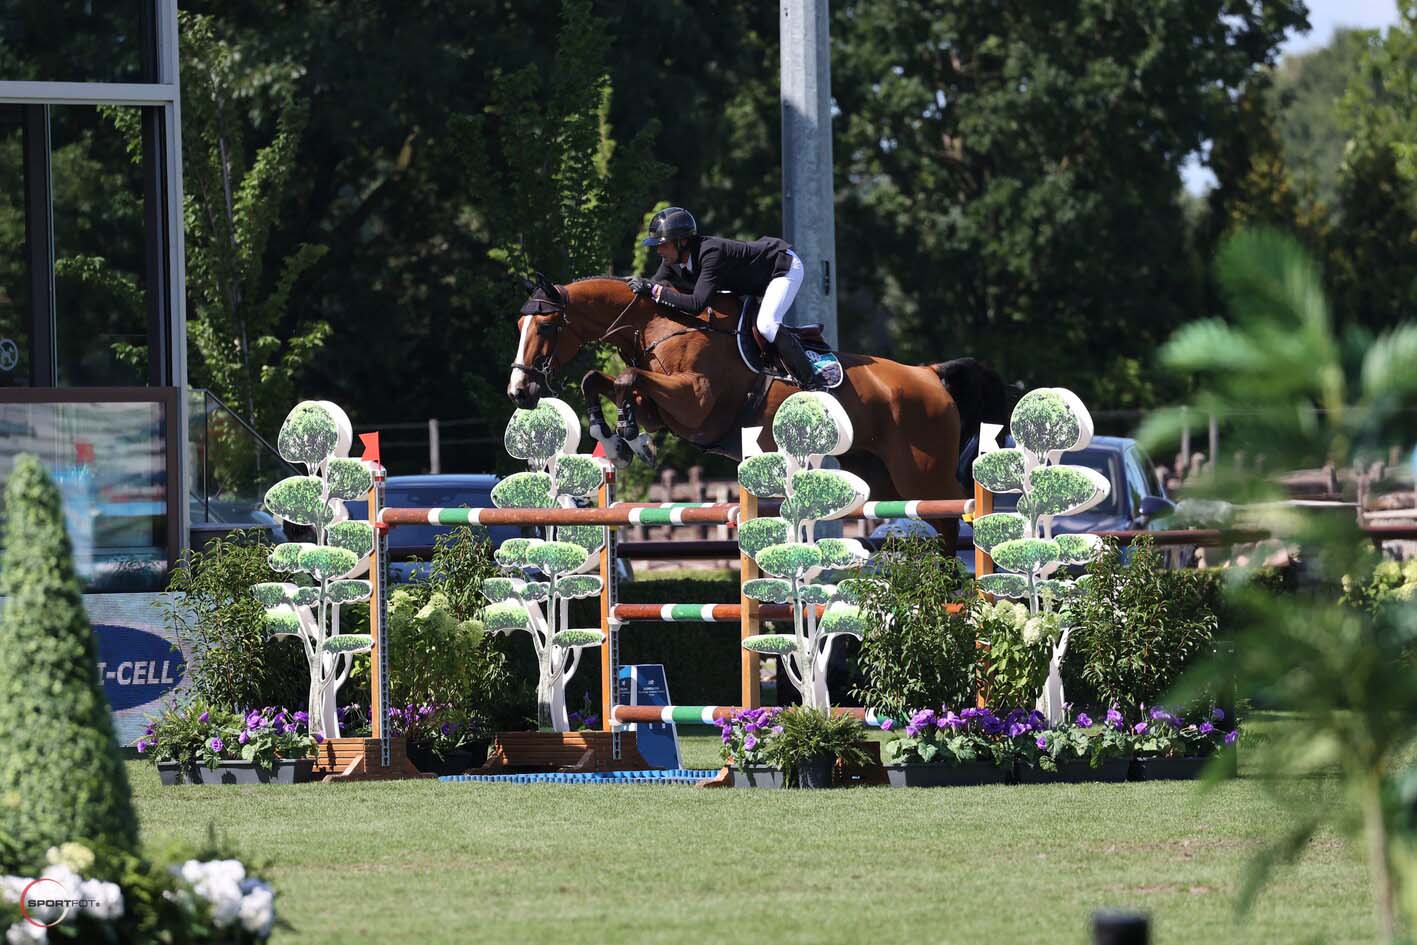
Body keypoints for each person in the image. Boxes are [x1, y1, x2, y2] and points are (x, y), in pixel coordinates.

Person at [627, 206, 821, 390]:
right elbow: (655, 286)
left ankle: (812, 382)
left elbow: (696, 304)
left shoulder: (711, 253)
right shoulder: (672, 260)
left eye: (663, 245)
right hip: (750, 283)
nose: (659, 251)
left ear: (682, 242)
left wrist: (654, 291)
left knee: (767, 324)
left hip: (781, 268)